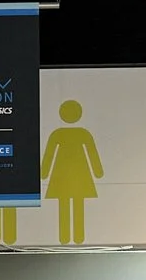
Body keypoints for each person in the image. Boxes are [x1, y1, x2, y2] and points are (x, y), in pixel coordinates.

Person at [40, 99, 104, 246]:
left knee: (65, 205)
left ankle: (66, 237)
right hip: (78, 174)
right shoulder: (82, 133)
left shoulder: (58, 133)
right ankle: (76, 237)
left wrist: (44, 173)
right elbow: (92, 153)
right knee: (77, 204)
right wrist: (98, 171)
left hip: (63, 174)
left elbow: (49, 154)